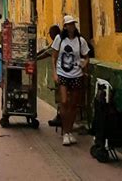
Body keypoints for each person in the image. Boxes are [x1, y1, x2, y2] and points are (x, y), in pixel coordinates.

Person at [51, 15, 90, 146]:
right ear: (65, 26)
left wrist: (84, 63)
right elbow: (54, 57)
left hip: (76, 74)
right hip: (62, 74)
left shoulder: (80, 41)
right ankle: (65, 131)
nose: (71, 26)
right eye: (69, 24)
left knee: (73, 105)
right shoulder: (59, 39)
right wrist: (54, 73)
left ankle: (69, 131)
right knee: (64, 101)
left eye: (73, 24)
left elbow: (86, 56)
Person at [36, 24, 62, 127]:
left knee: (60, 95)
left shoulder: (59, 40)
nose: (49, 36)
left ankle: (60, 117)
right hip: (61, 71)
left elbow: (48, 53)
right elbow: (46, 49)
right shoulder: (57, 40)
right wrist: (35, 55)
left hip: (61, 72)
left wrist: (35, 58)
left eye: (50, 34)